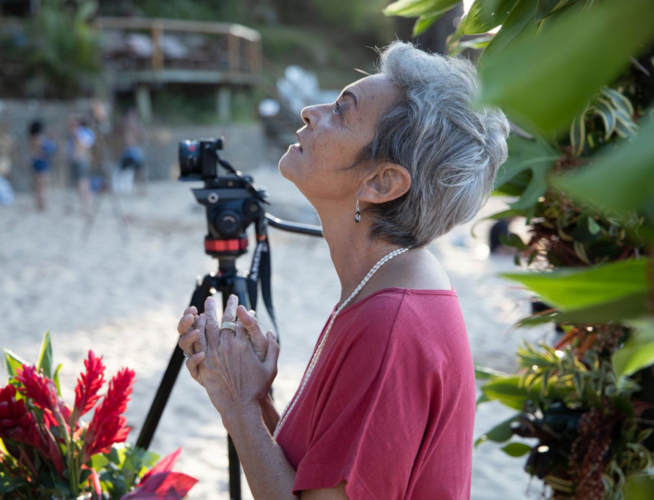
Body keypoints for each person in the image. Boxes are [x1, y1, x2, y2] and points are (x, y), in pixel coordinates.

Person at [176, 41, 510, 499]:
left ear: (382, 182)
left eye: (340, 110)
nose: (311, 111)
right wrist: (256, 402)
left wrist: (237, 408)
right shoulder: (382, 285)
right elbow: (318, 475)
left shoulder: (391, 322)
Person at [66, 117, 95, 216]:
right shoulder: (83, 133)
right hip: (78, 160)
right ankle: (85, 205)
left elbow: (82, 146)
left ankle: (85, 206)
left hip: (79, 160)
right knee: (82, 182)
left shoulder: (81, 133)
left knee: (82, 182)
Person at [29, 120, 56, 211]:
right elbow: (40, 151)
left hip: (38, 162)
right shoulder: (37, 138)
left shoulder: (32, 138)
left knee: (39, 185)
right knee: (42, 185)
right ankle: (41, 205)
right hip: (41, 163)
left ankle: (39, 204)